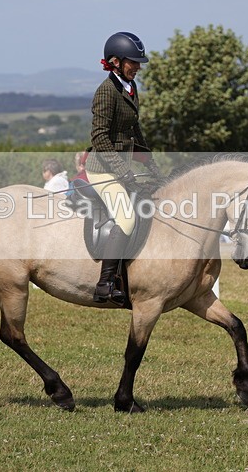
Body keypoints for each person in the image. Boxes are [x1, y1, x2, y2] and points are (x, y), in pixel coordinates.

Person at [85, 31, 162, 306]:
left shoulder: (129, 87)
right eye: (134, 62)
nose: (138, 67)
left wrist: (151, 164)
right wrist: (122, 171)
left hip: (121, 167)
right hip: (102, 169)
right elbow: (100, 138)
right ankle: (105, 284)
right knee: (127, 218)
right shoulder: (106, 91)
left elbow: (134, 130)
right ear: (115, 62)